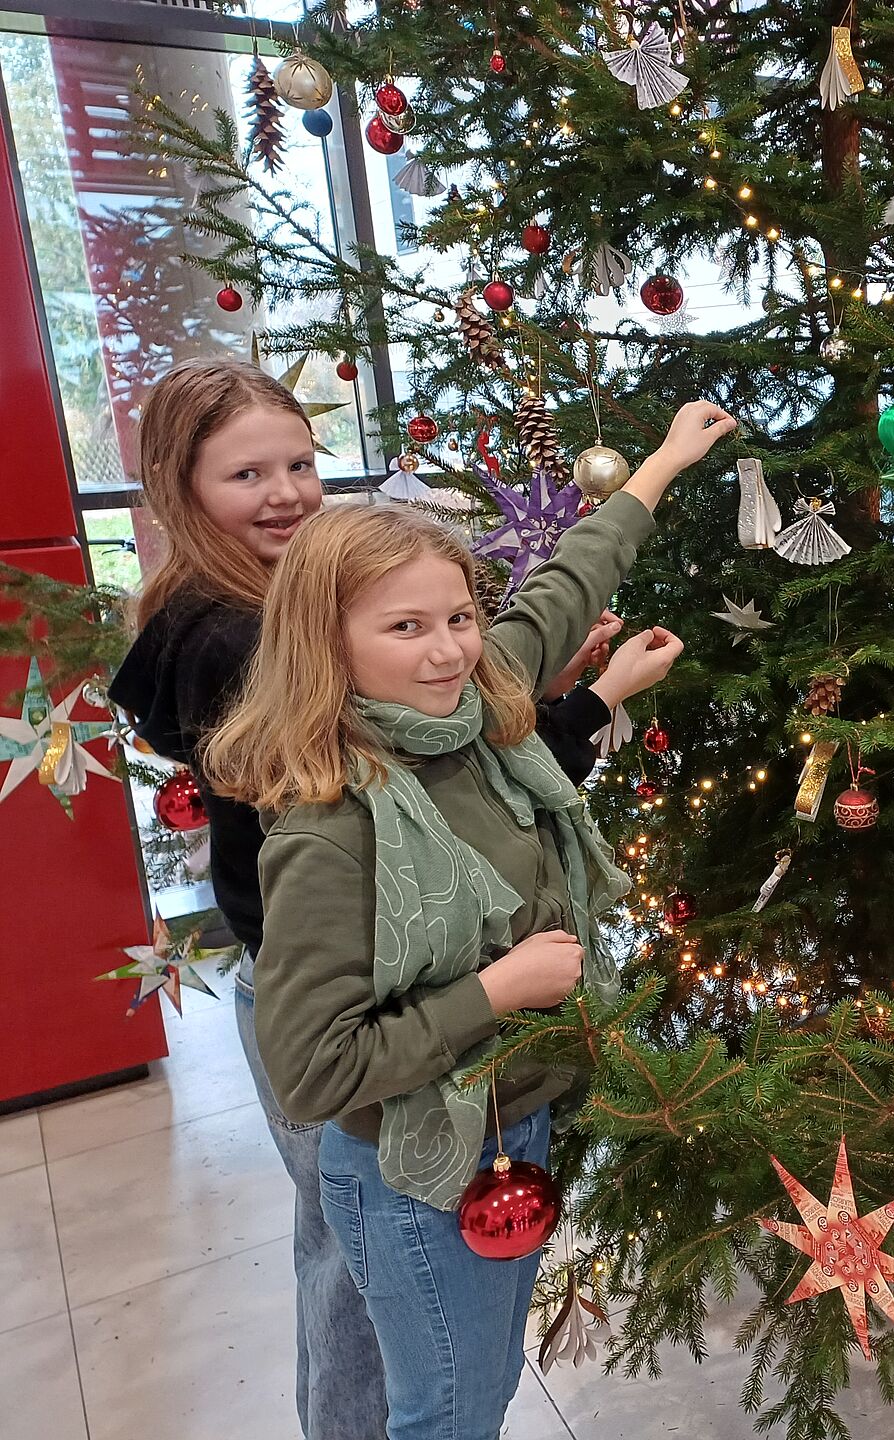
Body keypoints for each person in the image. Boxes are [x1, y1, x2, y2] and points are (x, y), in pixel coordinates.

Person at [106, 357, 680, 1438]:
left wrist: (648, 482)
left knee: (383, 1298)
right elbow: (460, 763)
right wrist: (585, 705)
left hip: (452, 1070)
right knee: (393, 1320)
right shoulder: (307, 750)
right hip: (384, 1049)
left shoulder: (330, 628)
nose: (284, 491)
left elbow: (529, 631)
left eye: (300, 462)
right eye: (247, 474)